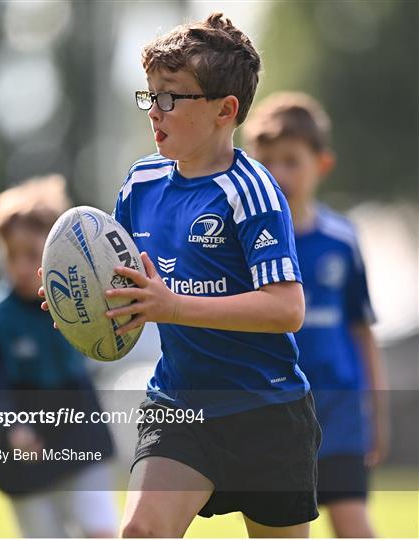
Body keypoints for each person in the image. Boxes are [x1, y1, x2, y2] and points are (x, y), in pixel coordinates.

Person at [43, 13, 321, 538]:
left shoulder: (252, 191)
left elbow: (287, 309)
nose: (155, 111)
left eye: (171, 97)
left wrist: (173, 307)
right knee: (141, 531)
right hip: (179, 405)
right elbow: (121, 284)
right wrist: (79, 300)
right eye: (149, 95)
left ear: (225, 109)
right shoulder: (140, 183)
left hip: (267, 413)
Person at [243, 91, 389, 537]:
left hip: (340, 417)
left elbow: (361, 330)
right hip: (277, 419)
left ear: (321, 164)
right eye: (267, 161)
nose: (280, 173)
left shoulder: (342, 241)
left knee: (353, 525)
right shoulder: (248, 244)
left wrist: (378, 414)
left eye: (292, 160)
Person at [0, 175, 118, 538]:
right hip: (25, 453)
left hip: (81, 438)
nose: (21, 266)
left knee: (100, 530)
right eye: (11, 255)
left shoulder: (81, 306)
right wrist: (13, 427)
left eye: (31, 255)